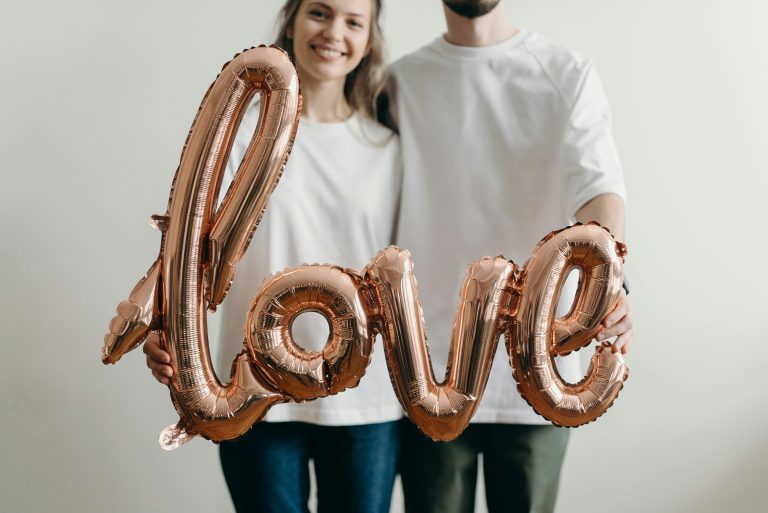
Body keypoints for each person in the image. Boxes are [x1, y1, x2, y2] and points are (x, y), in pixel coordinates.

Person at [144, 1, 403, 512]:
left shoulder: (388, 148)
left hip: (364, 400)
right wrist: (162, 322)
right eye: (319, 13)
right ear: (291, 20)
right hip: (250, 389)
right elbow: (190, 245)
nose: (333, 32)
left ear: (369, 41)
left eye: (354, 22)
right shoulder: (243, 132)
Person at [388, 1, 634, 512]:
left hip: (537, 366)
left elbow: (600, 192)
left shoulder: (565, 73)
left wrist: (610, 286)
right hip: (427, 367)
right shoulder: (399, 82)